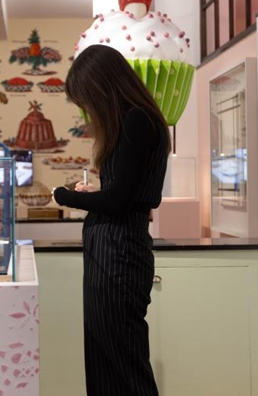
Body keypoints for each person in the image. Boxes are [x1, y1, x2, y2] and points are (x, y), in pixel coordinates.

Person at [52, 44, 169, 396]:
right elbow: (125, 196)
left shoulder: (137, 120)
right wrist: (95, 196)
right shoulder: (139, 120)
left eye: (88, 100)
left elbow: (119, 202)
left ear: (103, 87)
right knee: (106, 363)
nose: (89, 111)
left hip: (119, 254)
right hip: (113, 252)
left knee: (124, 365)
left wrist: (64, 196)